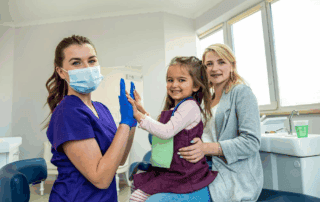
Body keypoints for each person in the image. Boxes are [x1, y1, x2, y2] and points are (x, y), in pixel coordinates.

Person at [146, 44, 263, 202]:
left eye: (221, 62)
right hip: (197, 169)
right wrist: (144, 116)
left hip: (226, 175)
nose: (215, 68)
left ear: (232, 65)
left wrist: (205, 148)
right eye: (209, 64)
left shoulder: (241, 93)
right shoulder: (203, 99)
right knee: (145, 191)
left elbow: (252, 142)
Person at [42, 35, 137, 202]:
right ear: (61, 71)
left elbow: (119, 159)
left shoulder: (101, 108)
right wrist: (125, 123)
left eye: (91, 61)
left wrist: (133, 121)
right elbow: (100, 178)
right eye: (76, 62)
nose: (86, 67)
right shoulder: (68, 112)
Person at [127, 56, 218, 202]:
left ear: (195, 86)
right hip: (171, 170)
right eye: (170, 80)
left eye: (181, 80)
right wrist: (141, 109)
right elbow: (159, 127)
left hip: (184, 174)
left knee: (136, 197)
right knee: (136, 187)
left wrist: (138, 116)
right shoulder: (176, 108)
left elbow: (166, 131)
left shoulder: (190, 106)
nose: (174, 84)